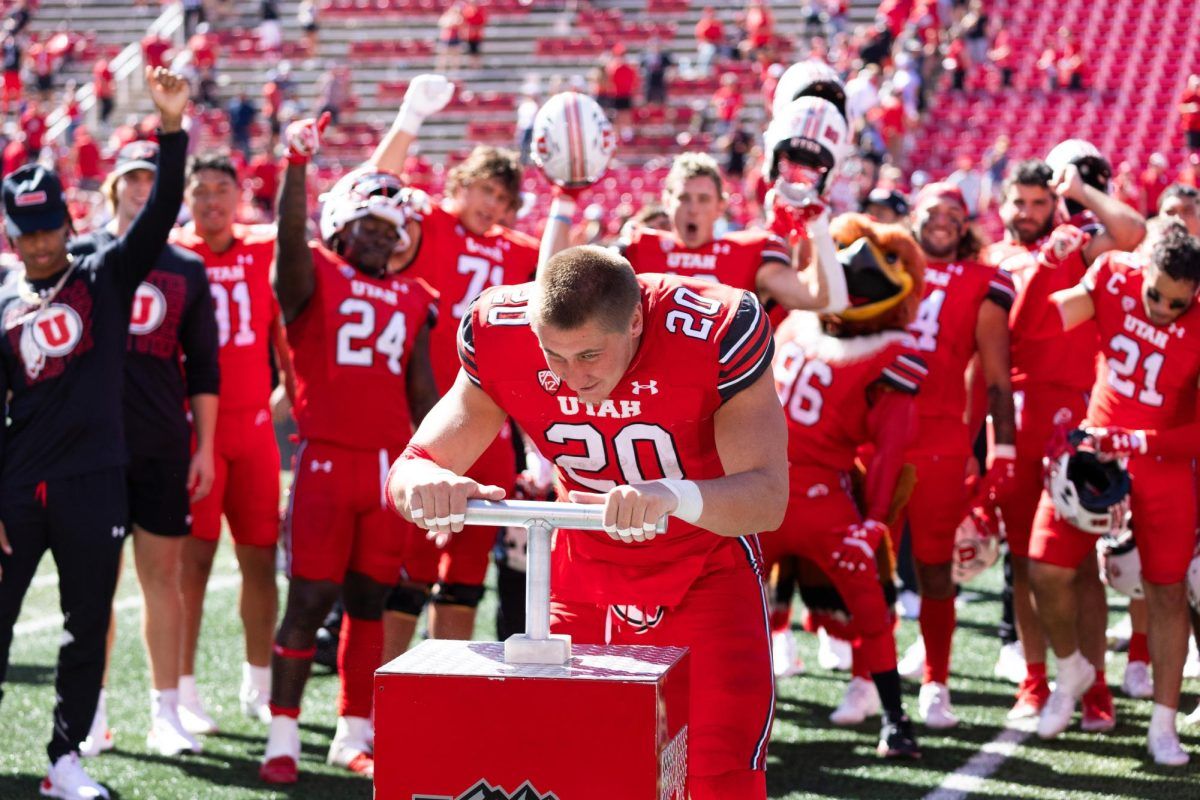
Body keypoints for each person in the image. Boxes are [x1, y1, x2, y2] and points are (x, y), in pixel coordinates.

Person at [387, 244, 786, 799]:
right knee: (572, 769)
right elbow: (411, 467)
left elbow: (767, 498)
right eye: (553, 355)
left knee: (716, 774)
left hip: (702, 569)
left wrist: (669, 496)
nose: (572, 376)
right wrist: (426, 486)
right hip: (581, 575)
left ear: (637, 320)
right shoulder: (499, 330)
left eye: (591, 355)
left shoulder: (713, 327)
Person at [0, 65, 188, 800]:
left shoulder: (105, 273)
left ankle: (64, 760)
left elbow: (162, 209)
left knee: (84, 630)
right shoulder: (2, 300)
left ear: (68, 224)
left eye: (49, 229)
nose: (41, 244)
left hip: (96, 480)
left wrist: (170, 127)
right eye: (27, 233)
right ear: (11, 235)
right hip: (17, 488)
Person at [260, 114, 439, 784]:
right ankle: (282, 734)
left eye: (390, 230)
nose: (380, 236)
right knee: (309, 600)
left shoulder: (416, 297)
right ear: (340, 225)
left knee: (370, 601)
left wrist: (437, 461)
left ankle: (351, 732)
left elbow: (422, 394)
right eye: (369, 224)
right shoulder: (315, 278)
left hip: (390, 469)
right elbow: (287, 255)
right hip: (328, 460)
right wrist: (297, 169)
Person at [369, 75, 540, 660]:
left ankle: (445, 684)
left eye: (504, 200)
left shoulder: (517, 249)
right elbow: (373, 188)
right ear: (460, 183)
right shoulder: (432, 222)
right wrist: (411, 115)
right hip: (423, 421)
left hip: (487, 422)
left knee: (466, 567)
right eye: (487, 192)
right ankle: (388, 683)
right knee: (409, 565)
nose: (493, 207)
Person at [71, 140, 220, 759]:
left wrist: (205, 446)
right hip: (94, 447)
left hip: (161, 441)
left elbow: (204, 367)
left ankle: (165, 712)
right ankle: (91, 712)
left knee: (163, 580)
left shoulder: (185, 267)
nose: (141, 188)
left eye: (151, 179)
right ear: (113, 186)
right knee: (93, 587)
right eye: (133, 177)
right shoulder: (80, 256)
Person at [984, 157, 1145, 722]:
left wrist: (1080, 192)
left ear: (1052, 203)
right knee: (1025, 563)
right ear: (1002, 205)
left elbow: (1132, 235)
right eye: (1018, 203)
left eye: (1037, 202)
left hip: (1074, 415)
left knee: (1079, 563)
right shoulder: (992, 259)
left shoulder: (1076, 243)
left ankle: (1095, 684)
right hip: (1015, 420)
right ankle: (1034, 678)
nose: (1027, 213)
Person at [1033, 224, 1200, 766]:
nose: (1161, 310)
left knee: (1167, 591)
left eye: (1178, 303)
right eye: (1155, 295)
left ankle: (1163, 722)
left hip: (1163, 463)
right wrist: (1046, 265)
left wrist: (1140, 439)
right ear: (1142, 267)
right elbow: (1035, 327)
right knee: (1045, 568)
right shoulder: (1111, 276)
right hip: (1097, 449)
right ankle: (1073, 669)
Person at [766, 213, 926, 757]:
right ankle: (895, 721)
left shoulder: (796, 324)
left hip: (774, 494)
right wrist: (875, 518)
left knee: (867, 607)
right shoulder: (805, 323)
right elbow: (890, 448)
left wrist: (875, 517)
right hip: (806, 499)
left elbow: (891, 448)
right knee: (870, 606)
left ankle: (894, 717)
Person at [170, 153, 288, 734]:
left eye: (222, 189)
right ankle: (184, 688)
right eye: (201, 191)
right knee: (191, 562)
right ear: (187, 199)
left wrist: (284, 400)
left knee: (260, 558)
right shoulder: (173, 254)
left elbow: (286, 340)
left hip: (255, 429)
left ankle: (258, 680)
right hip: (196, 432)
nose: (211, 201)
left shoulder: (263, 246)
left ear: (239, 194)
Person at [898, 182, 1016, 729]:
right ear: (914, 216)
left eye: (953, 214)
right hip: (875, 436)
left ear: (965, 225)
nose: (942, 221)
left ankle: (936, 682)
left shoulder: (982, 281)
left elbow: (996, 378)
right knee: (861, 562)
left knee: (934, 567)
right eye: (933, 212)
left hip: (941, 440)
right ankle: (861, 676)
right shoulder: (884, 264)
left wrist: (1002, 449)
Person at [618, 151, 836, 311]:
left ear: (721, 206)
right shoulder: (637, 247)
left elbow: (814, 297)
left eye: (703, 199)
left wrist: (816, 225)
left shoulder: (750, 252)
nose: (693, 209)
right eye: (684, 198)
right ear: (667, 202)